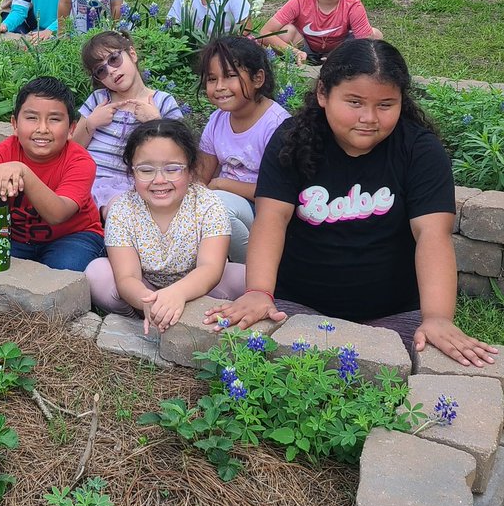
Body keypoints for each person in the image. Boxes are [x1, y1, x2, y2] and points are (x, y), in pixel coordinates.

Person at [207, 39, 497, 368]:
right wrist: (259, 290)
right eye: (354, 102)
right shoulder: (292, 140)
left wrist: (438, 316)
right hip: (298, 304)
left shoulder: (419, 150)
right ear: (323, 94)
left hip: (395, 313)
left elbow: (433, 234)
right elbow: (271, 218)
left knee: (405, 373)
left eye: (386, 105)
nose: (369, 117)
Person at [85, 119, 245, 332]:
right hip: (146, 288)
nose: (159, 179)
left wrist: (177, 294)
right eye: (146, 170)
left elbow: (210, 268)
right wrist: (149, 302)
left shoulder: (208, 203)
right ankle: (139, 318)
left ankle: (195, 314)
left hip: (200, 287)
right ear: (132, 172)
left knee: (244, 276)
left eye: (172, 169)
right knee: (98, 273)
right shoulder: (122, 210)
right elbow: (127, 277)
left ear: (190, 170)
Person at [0, 77, 104, 272]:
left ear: (71, 128)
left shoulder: (80, 161)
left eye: (54, 119)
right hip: (16, 237)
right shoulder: (2, 154)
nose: (42, 129)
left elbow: (58, 214)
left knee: (63, 269)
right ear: (15, 124)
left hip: (74, 236)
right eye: (31, 118)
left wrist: (24, 172)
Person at [195, 37, 290, 262]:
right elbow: (200, 177)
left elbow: (278, 192)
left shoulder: (276, 125)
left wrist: (221, 184)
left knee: (219, 207)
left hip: (264, 212)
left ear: (258, 78)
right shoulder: (217, 120)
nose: (219, 87)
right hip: (224, 205)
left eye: (230, 76)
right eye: (211, 79)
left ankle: (253, 268)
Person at [72, 31, 184, 220]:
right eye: (101, 70)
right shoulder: (99, 101)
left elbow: (180, 151)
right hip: (91, 179)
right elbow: (74, 147)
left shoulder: (162, 102)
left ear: (132, 54)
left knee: (120, 210)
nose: (111, 71)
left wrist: (155, 122)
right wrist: (91, 124)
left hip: (135, 184)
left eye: (114, 59)